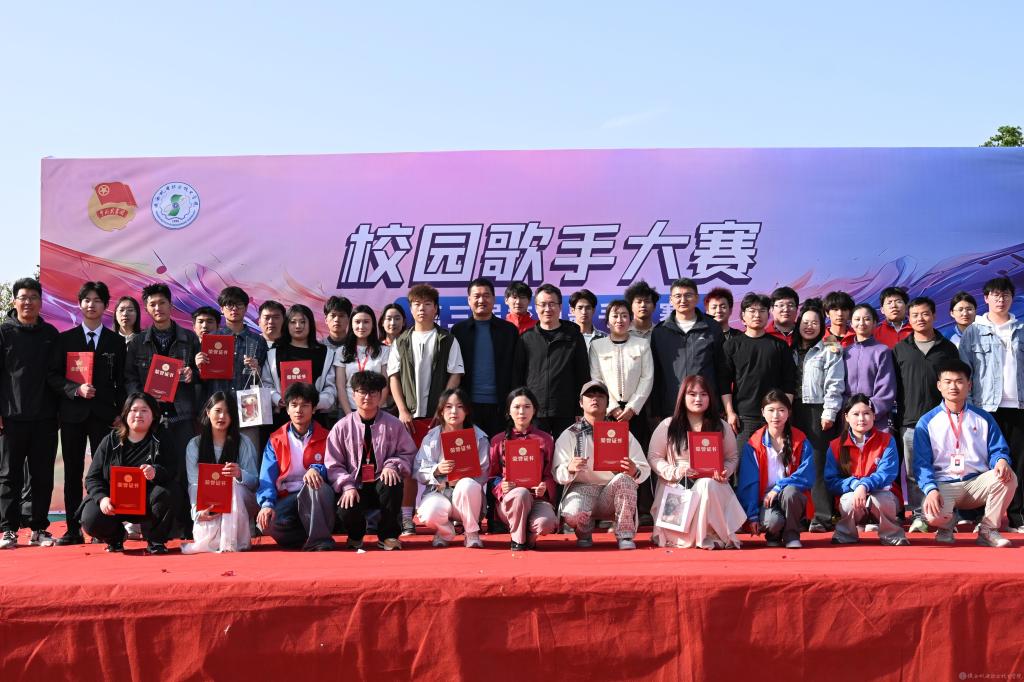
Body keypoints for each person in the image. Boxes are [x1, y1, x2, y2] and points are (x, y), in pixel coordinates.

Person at [47, 281, 126, 545]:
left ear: (106, 306)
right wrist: (76, 389)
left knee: (105, 472)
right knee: (72, 472)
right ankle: (73, 529)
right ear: (80, 304)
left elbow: (122, 382)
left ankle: (102, 528)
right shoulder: (65, 339)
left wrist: (121, 413)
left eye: (97, 300)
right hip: (72, 415)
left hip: (105, 416)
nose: (92, 305)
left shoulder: (116, 342)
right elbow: (53, 377)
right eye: (87, 300)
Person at [124, 283, 201, 539]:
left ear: (171, 305)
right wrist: (143, 403)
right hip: (152, 420)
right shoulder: (137, 342)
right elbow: (130, 378)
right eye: (153, 304)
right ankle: (155, 528)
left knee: (185, 472)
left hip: (182, 416)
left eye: (162, 303)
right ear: (147, 309)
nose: (158, 308)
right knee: (153, 472)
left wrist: (193, 374)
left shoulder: (189, 338)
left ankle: (187, 527)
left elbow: (203, 373)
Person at [387, 283, 465, 534]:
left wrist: (443, 410)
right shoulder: (401, 341)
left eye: (427, 304)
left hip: (438, 418)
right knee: (409, 468)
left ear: (436, 309)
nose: (422, 309)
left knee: (448, 465)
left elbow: (455, 375)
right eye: (417, 304)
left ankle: (454, 514)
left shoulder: (447, 339)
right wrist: (402, 410)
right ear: (411, 309)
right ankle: (406, 518)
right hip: (409, 417)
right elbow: (393, 377)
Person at [914, 359, 1016, 547]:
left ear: (969, 385)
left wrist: (1001, 460)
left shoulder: (984, 417)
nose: (953, 387)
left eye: (959, 381)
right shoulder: (927, 422)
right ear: (939, 386)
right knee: (931, 515)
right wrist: (930, 489)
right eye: (948, 382)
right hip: (944, 484)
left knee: (1008, 478)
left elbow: (998, 448)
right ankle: (946, 526)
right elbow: (921, 464)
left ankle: (988, 530)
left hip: (976, 483)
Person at [647, 375, 745, 549]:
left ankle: (710, 534)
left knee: (707, 484)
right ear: (682, 397)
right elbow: (654, 457)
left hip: (712, 484)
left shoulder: (721, 426)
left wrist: (725, 471)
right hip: (677, 484)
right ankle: (696, 536)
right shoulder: (668, 425)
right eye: (692, 394)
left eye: (703, 394)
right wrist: (676, 471)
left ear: (710, 397)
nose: (698, 399)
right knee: (701, 485)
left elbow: (732, 458)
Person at [958, 277, 1024, 532]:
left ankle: (1017, 517)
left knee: (1018, 463)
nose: (1000, 299)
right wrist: (968, 407)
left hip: (1018, 406)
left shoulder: (1020, 329)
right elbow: (965, 372)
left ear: (1012, 298)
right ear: (986, 299)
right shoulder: (973, 331)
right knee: (981, 462)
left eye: (1005, 295)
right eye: (995, 295)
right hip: (985, 407)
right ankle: (980, 517)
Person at [553, 380, 651, 550]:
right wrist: (569, 468)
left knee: (625, 480)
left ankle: (625, 535)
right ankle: (584, 532)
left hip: (611, 491)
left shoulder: (621, 432)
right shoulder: (570, 434)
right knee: (571, 513)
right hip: (582, 489)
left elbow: (644, 467)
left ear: (607, 403)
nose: (595, 399)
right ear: (581, 402)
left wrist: (634, 470)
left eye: (600, 396)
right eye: (590, 395)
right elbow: (556, 472)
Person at [325, 370, 416, 550]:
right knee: (346, 506)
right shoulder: (341, 427)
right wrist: (347, 485)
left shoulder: (394, 424)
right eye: (362, 392)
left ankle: (388, 536)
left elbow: (408, 454)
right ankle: (355, 536)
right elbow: (333, 464)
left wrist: (392, 465)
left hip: (381, 481)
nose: (367, 397)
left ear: (381, 395)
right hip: (355, 483)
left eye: (373, 392)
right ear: (353, 394)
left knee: (392, 482)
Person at [0, 277, 61, 549]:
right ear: (15, 301)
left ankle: (39, 528)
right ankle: (8, 529)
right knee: (8, 475)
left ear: (41, 302)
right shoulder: (4, 333)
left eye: (33, 297)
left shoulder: (51, 334)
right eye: (23, 297)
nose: (28, 302)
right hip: (11, 417)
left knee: (42, 476)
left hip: (45, 418)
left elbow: (57, 375)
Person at [892, 296, 960, 533]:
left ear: (934, 316)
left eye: (925, 314)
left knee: (946, 469)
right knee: (914, 473)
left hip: (943, 420)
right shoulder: (900, 349)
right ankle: (919, 515)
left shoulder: (948, 348)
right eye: (915, 315)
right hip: (910, 421)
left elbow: (956, 383)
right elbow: (895, 387)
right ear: (909, 319)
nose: (920, 319)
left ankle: (946, 514)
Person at [80, 392, 178, 554]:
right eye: (134, 410)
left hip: (147, 502)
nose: (138, 415)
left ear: (154, 415)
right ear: (125, 414)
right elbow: (92, 478)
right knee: (91, 518)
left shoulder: (162, 438)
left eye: (144, 410)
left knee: (168, 492)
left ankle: (156, 540)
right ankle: (116, 538)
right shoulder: (110, 440)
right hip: (114, 503)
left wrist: (156, 472)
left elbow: (173, 470)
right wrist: (102, 499)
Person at [255, 382, 336, 551]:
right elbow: (266, 477)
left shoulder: (327, 436)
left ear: (314, 409)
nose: (299, 410)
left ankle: (320, 541)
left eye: (305, 405)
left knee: (314, 484)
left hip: (317, 495)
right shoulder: (276, 439)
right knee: (266, 524)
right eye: (294, 405)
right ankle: (304, 536)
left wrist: (317, 469)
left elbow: (335, 468)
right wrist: (266, 504)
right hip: (288, 497)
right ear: (287, 409)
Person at [824, 394, 909, 546]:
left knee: (881, 499)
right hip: (853, 497)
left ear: (874, 416)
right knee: (849, 500)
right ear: (846, 417)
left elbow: (887, 474)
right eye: (856, 414)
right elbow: (831, 480)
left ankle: (891, 535)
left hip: (883, 495)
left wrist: (864, 485)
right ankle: (845, 534)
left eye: (866, 413)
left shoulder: (887, 440)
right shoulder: (835, 445)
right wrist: (855, 485)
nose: (861, 418)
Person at [182, 392, 260, 553]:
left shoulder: (243, 443)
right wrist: (197, 511)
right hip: (209, 504)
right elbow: (194, 484)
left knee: (233, 486)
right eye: (217, 411)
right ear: (207, 412)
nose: (222, 416)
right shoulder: (195, 445)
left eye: (228, 412)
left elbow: (255, 483)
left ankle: (231, 543)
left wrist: (240, 474)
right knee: (207, 538)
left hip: (242, 500)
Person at [791, 303, 844, 533]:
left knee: (818, 462)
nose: (809, 326)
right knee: (796, 462)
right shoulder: (791, 348)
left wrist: (829, 412)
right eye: (805, 322)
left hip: (817, 411)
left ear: (822, 325)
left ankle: (822, 516)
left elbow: (835, 382)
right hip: (793, 410)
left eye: (815, 322)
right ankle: (798, 515)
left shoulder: (830, 346)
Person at [737, 390, 814, 549]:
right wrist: (752, 515)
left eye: (781, 410)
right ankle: (774, 533)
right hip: (765, 499)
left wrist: (779, 487)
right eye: (771, 410)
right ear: (763, 412)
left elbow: (807, 473)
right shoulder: (754, 444)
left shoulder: (800, 439)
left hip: (790, 495)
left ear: (789, 412)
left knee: (791, 492)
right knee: (773, 522)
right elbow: (748, 482)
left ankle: (792, 534)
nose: (776, 415)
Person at [414, 388, 490, 548]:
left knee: (468, 484)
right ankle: (445, 531)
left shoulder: (479, 437)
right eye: (448, 407)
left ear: (467, 411)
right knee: (429, 512)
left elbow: (484, 474)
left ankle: (471, 533)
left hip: (467, 498)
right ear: (441, 411)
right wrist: (437, 469)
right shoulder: (431, 437)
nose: (454, 411)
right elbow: (418, 471)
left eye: (460, 406)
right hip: (439, 492)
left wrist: (465, 474)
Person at [722, 292, 797, 451]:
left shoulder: (780, 346)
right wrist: (730, 412)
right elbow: (724, 382)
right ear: (743, 316)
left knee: (774, 460)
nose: (757, 315)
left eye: (762, 311)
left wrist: (784, 412)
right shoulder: (732, 345)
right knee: (743, 461)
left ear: (768, 315)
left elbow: (789, 382)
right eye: (752, 311)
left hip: (774, 416)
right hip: (744, 417)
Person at [450, 277, 523, 437]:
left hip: (501, 405)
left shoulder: (508, 331)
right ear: (469, 300)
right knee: (471, 449)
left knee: (500, 448)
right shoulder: (459, 331)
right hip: (468, 405)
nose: (481, 300)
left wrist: (514, 401)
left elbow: (517, 369)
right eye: (476, 296)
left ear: (494, 299)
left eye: (486, 295)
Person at [488, 387, 559, 550]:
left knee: (546, 523)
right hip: (511, 500)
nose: (522, 412)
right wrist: (501, 486)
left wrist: (545, 486)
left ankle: (529, 535)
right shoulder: (498, 441)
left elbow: (550, 474)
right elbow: (492, 476)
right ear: (509, 411)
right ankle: (518, 540)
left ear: (534, 410)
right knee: (520, 493)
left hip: (537, 499)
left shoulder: (546, 439)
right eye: (517, 407)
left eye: (527, 407)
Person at [649, 278, 728, 421]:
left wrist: (724, 407)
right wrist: (656, 410)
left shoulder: (712, 328)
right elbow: (656, 374)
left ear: (696, 298)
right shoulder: (660, 332)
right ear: (671, 300)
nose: (683, 300)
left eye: (688, 295)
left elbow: (722, 370)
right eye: (678, 296)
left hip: (705, 407)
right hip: (671, 407)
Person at [519, 283, 590, 437]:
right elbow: (519, 376)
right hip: (535, 411)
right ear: (536, 307)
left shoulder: (573, 336)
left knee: (567, 451)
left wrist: (580, 409)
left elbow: (583, 374)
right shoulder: (526, 338)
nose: (547, 309)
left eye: (552, 304)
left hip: (566, 410)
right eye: (542, 304)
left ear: (560, 307)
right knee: (537, 450)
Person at [200, 286, 267, 446]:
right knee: (218, 453)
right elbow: (201, 379)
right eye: (229, 305)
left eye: (239, 305)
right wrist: (199, 365)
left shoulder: (258, 341)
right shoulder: (211, 339)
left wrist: (257, 369)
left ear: (246, 308)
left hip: (249, 406)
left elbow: (265, 377)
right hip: (218, 407)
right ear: (222, 309)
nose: (234, 309)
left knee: (249, 452)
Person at [262, 304, 337, 428]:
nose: (298, 326)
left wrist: (314, 403)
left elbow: (330, 388)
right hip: (282, 419)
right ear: (287, 325)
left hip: (315, 418)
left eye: (303, 322)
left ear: (310, 324)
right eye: (293, 322)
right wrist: (277, 399)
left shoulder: (325, 353)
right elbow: (266, 384)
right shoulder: (274, 353)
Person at [843, 303, 896, 431]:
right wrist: (849, 409)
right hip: (849, 417)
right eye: (857, 319)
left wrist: (867, 411)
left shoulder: (882, 351)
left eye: (867, 319)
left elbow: (886, 387)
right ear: (851, 323)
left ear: (874, 323)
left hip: (875, 417)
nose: (861, 323)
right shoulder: (845, 352)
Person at [335, 305, 391, 416]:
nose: (361, 326)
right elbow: (340, 386)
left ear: (373, 325)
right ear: (351, 324)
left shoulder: (384, 350)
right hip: (349, 409)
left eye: (366, 322)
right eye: (357, 322)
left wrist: (374, 413)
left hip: (377, 410)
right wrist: (349, 415)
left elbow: (385, 385)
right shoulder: (342, 351)